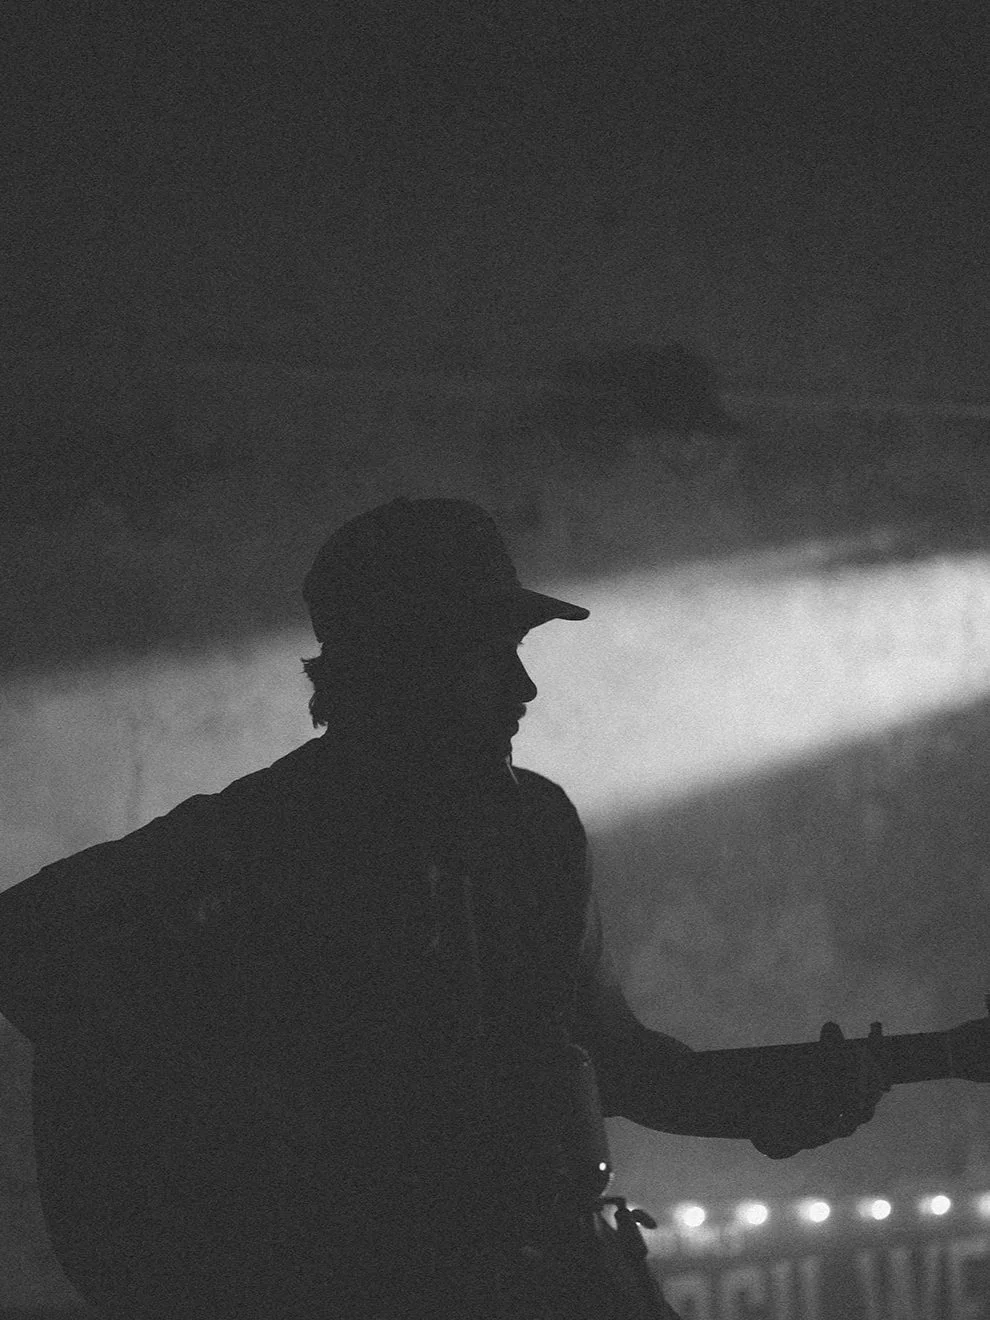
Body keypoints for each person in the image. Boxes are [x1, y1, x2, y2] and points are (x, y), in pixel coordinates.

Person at [0, 496, 888, 1320]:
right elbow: (25, 942)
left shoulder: (534, 829)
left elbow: (610, 1056)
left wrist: (761, 1105)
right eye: (487, 655)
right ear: (401, 667)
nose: (523, 689)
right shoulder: (259, 839)